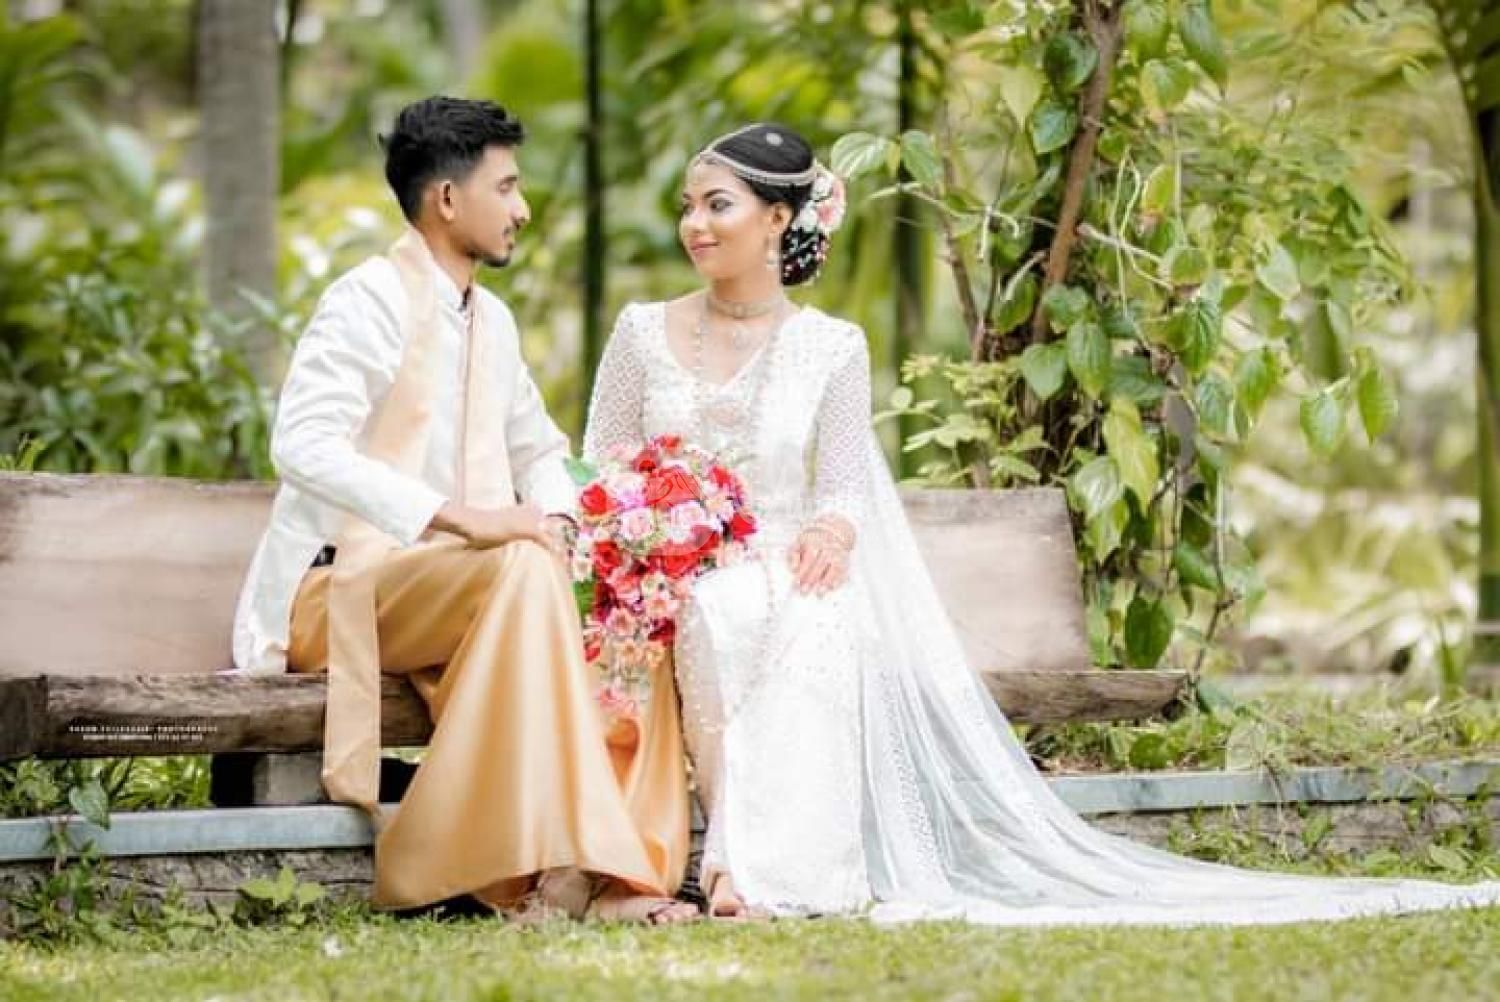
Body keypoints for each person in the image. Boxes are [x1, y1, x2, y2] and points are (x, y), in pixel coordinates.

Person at [581, 121, 1500, 925]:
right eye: (689, 207)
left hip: (789, 562)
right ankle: (731, 862)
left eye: (717, 206)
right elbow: (600, 464)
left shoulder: (832, 346)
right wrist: (644, 536)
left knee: (809, 614)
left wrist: (833, 532)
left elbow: (846, 484)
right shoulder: (641, 331)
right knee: (721, 610)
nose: (695, 225)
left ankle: (769, 874)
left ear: (779, 220)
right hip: (664, 573)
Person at [231, 96, 695, 924]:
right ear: (448, 199)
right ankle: (543, 870)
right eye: (507, 187)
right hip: (336, 594)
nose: (523, 209)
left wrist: (559, 522)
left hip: (459, 589)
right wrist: (457, 516)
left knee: (611, 597)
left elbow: (541, 450)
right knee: (519, 568)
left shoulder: (496, 322)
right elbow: (300, 444)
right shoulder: (367, 299)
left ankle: (596, 873)